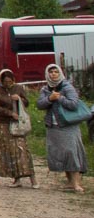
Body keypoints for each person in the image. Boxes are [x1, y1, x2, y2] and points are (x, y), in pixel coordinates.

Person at [37, 64, 87, 193]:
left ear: (60, 73)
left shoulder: (67, 87)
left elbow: (73, 104)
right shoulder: (45, 89)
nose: (53, 74)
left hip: (68, 125)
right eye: (51, 72)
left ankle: (76, 183)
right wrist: (49, 98)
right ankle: (69, 182)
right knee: (62, 154)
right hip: (53, 126)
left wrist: (59, 98)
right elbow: (40, 104)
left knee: (72, 152)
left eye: (55, 72)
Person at [0, 68, 37, 188]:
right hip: (4, 124)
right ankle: (16, 178)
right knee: (10, 151)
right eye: (5, 82)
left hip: (18, 124)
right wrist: (9, 113)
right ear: (1, 81)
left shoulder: (18, 88)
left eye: (10, 81)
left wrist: (20, 99)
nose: (8, 84)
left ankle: (33, 178)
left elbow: (27, 103)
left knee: (22, 150)